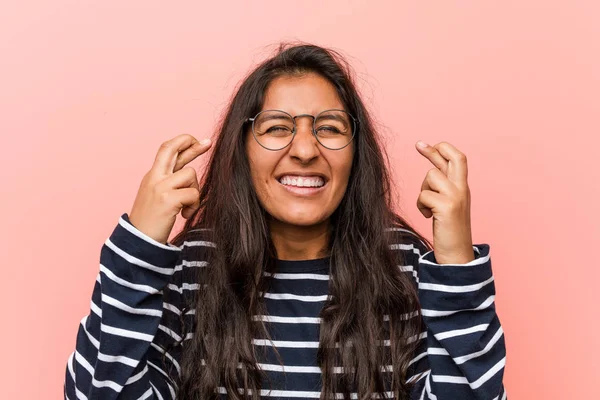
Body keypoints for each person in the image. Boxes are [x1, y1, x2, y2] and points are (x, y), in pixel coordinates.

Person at [64, 43, 507, 400]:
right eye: (276, 128)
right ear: (242, 150)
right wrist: (138, 248)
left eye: (330, 128)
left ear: (358, 153)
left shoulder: (403, 267)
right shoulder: (191, 268)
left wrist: (455, 264)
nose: (305, 149)